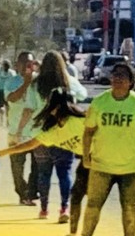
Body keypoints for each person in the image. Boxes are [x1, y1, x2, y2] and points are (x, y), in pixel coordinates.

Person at [0, 88, 135, 236]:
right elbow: (30, 144)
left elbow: (104, 130)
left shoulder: (79, 122)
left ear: (56, 108)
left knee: (130, 199)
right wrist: (3, 152)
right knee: (79, 194)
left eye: (53, 107)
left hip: (105, 158)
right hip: (91, 162)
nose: (51, 111)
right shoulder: (55, 132)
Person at [69, 63, 135, 236]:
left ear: (131, 82)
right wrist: (86, 156)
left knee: (129, 206)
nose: (118, 79)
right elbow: (88, 132)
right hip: (102, 164)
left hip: (131, 166)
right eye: (115, 75)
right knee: (93, 204)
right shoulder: (100, 102)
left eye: (123, 76)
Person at [20, 51, 88, 221]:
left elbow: (28, 109)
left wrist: (19, 131)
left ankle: (44, 209)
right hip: (65, 134)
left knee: (43, 174)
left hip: (41, 134)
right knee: (64, 173)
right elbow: (84, 95)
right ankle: (64, 208)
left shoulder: (36, 84)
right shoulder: (68, 82)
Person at [4, 52, 36, 205]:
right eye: (24, 63)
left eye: (30, 63)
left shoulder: (38, 82)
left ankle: (30, 192)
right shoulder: (12, 81)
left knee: (38, 167)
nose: (27, 66)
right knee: (17, 167)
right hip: (16, 132)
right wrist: (26, 84)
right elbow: (11, 98)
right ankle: (22, 193)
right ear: (17, 65)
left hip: (36, 132)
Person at [0, 60, 16, 128]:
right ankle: (8, 121)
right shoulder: (12, 72)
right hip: (9, 91)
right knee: (8, 107)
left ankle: (1, 121)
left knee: (0, 106)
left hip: (1, 90)